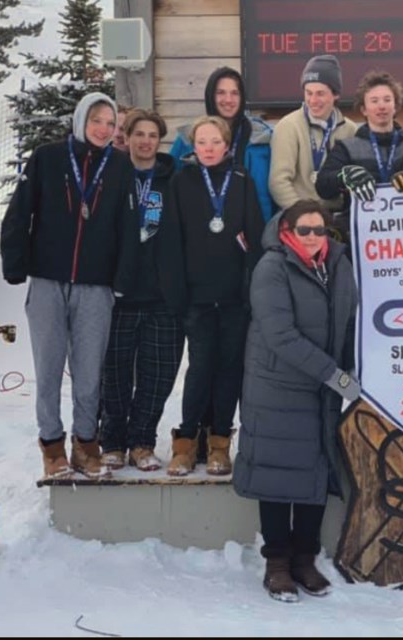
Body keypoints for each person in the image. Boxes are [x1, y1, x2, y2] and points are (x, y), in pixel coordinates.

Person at [1, 92, 137, 479]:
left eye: (111, 124)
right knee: (48, 367)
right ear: (80, 121)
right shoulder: (47, 158)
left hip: (96, 286)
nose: (104, 129)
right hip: (47, 281)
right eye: (97, 120)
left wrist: (122, 279)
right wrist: (15, 263)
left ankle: (85, 443)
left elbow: (128, 229)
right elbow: (19, 211)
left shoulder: (121, 167)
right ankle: (52, 446)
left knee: (89, 371)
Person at [234, 199, 358, 603]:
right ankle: (277, 564)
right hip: (277, 386)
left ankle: (305, 558)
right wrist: (334, 375)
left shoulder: (338, 264)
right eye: (303, 229)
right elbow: (280, 335)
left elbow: (350, 320)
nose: (311, 237)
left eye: (318, 230)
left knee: (314, 470)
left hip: (322, 385)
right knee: (277, 472)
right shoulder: (273, 267)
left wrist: (350, 369)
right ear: (287, 230)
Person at [159, 115, 264, 476]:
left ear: (227, 145)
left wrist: (252, 290)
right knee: (201, 367)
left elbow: (255, 237)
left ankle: (220, 443)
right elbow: (170, 240)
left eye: (215, 142)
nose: (208, 148)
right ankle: (186, 443)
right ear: (193, 146)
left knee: (229, 370)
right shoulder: (182, 180)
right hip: (197, 297)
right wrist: (177, 294)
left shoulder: (241, 180)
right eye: (201, 142)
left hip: (234, 297)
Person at [98, 109, 183, 472]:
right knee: (114, 373)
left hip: (163, 296)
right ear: (127, 138)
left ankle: (142, 441)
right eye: (139, 134)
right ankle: (113, 441)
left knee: (159, 373)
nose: (146, 141)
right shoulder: (112, 175)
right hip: (119, 294)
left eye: (152, 135)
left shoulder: (175, 178)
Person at [315, 70, 403, 240]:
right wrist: (343, 177)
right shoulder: (347, 147)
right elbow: (322, 186)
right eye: (374, 101)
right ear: (364, 109)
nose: (381, 106)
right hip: (361, 235)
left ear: (395, 106)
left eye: (387, 100)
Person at [169, 66, 275, 223]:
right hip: (201, 231)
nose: (228, 100)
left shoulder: (262, 138)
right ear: (211, 96)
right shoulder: (188, 139)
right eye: (221, 93)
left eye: (234, 93)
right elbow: (170, 186)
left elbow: (270, 192)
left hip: (253, 229)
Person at [269, 55, 358, 217]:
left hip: (338, 217)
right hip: (300, 219)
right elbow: (278, 182)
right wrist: (305, 216)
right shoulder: (288, 126)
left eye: (320, 93)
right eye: (308, 93)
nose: (313, 100)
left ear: (335, 94)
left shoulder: (350, 129)